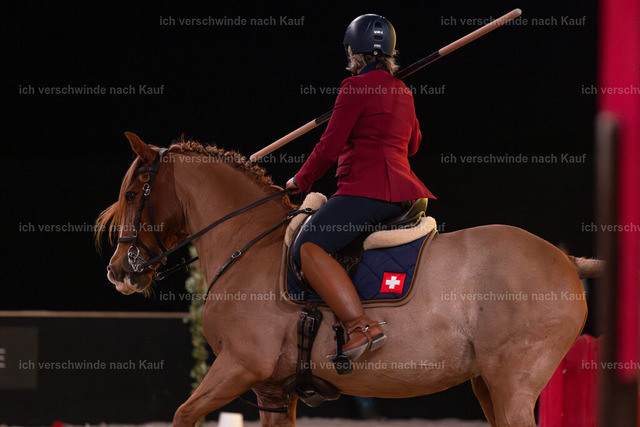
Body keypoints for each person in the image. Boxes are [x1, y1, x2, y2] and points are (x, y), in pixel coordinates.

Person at [286, 14, 435, 361]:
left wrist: (299, 181)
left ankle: (359, 326)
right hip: (406, 192)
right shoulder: (403, 90)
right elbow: (413, 145)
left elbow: (329, 147)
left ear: (353, 52)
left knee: (308, 247)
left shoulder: (353, 88)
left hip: (368, 189)